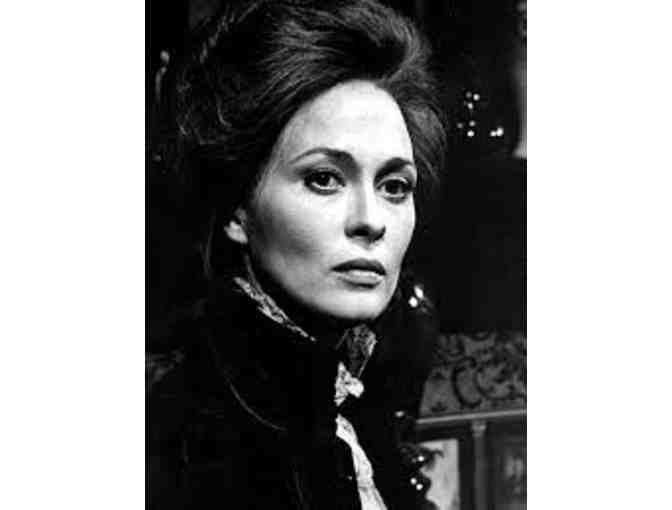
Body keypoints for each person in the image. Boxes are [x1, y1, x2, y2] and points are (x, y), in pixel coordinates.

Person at [147, 1, 447, 508]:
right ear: (237, 209)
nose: (371, 220)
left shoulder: (353, 400)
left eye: (395, 186)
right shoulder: (191, 437)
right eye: (324, 179)